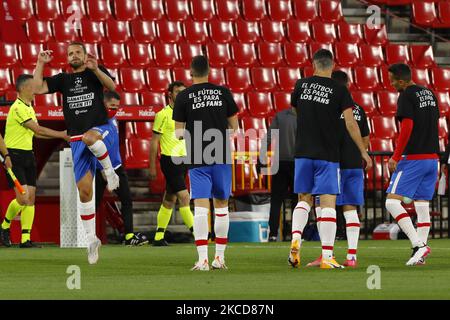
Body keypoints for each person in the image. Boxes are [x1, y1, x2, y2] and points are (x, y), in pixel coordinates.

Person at [32, 42, 120, 264]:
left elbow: (111, 86)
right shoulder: (63, 80)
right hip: (77, 139)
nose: (73, 56)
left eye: (77, 52)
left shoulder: (93, 73)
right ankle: (92, 239)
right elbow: (37, 88)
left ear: (84, 54)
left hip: (101, 129)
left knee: (92, 138)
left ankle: (109, 173)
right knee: (84, 192)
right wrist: (41, 63)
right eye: (70, 53)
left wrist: (97, 68)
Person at [288, 49, 372, 269]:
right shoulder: (339, 89)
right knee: (327, 203)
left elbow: (296, 110)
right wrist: (363, 151)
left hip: (303, 151)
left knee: (304, 199)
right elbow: (351, 123)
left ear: (313, 63)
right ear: (333, 65)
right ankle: (327, 256)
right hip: (328, 155)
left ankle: (296, 238)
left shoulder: (301, 85)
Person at [173, 56, 239, 271]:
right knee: (221, 206)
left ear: (190, 72)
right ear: (209, 70)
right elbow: (235, 127)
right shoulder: (223, 92)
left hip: (197, 156)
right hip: (220, 154)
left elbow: (178, 133)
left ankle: (202, 260)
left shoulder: (183, 96)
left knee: (200, 208)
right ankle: (219, 258)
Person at [307, 70, 370, 268]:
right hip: (354, 164)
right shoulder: (359, 109)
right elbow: (366, 139)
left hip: (332, 163)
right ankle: (352, 256)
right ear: (349, 84)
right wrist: (360, 152)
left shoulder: (328, 108)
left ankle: (327, 254)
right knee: (350, 209)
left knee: (323, 206)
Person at [0, 74, 69, 248]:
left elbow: (36, 133)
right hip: (14, 156)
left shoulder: (29, 107)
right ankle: (4, 225)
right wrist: (61, 134)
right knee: (23, 198)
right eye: (33, 87)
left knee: (30, 199)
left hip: (28, 155)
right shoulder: (17, 108)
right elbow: (37, 129)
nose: (36, 91)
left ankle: (25, 239)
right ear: (24, 88)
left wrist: (58, 136)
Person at [384, 63, 439, 266]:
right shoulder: (430, 94)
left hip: (414, 158)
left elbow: (407, 126)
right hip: (432, 158)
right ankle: (420, 256)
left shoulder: (406, 95)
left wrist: (396, 156)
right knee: (422, 206)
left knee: (391, 202)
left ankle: (419, 245)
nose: (390, 84)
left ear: (401, 80)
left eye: (392, 80)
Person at [94, 91, 148, 246]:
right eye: (112, 106)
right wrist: (103, 169)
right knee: (93, 204)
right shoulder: (95, 122)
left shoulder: (113, 119)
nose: (114, 109)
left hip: (116, 167)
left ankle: (129, 236)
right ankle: (86, 236)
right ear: (102, 104)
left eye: (117, 106)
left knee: (127, 200)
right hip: (100, 169)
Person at [149, 81, 194, 246]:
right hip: (170, 160)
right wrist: (152, 166)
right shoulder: (163, 114)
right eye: (178, 92)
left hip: (184, 160)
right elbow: (154, 141)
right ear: (170, 94)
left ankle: (159, 237)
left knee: (169, 199)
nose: (181, 95)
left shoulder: (187, 114)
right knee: (184, 196)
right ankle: (200, 235)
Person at [259, 107, 297, 242]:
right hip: (298, 163)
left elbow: (268, 137)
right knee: (298, 200)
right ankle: (297, 234)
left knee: (276, 200)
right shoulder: (306, 117)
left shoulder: (280, 116)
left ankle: (273, 234)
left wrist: (261, 157)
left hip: (279, 162)